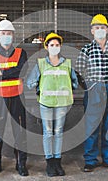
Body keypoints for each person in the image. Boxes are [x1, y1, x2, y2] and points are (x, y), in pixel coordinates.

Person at [76, 14, 108, 172]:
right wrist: (89, 88)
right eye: (97, 28)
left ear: (107, 30)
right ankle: (90, 160)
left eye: (102, 27)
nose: (99, 30)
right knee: (92, 127)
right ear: (91, 31)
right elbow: (79, 71)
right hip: (94, 89)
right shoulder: (86, 50)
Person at [27, 32, 78, 177]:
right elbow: (31, 82)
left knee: (59, 132)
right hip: (46, 104)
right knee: (48, 132)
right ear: (46, 47)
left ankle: (57, 161)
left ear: (60, 46)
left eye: (57, 45)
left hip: (62, 103)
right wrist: (39, 89)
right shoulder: (41, 64)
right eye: (51, 45)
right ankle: (50, 163)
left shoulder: (67, 63)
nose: (54, 47)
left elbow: (74, 82)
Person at [0, 19, 29, 178]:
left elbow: (22, 71)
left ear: (13, 36)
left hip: (17, 97)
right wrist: (11, 72)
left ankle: (21, 164)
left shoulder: (21, 53)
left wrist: (2, 74)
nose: (6, 36)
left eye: (9, 33)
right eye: (3, 33)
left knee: (20, 133)